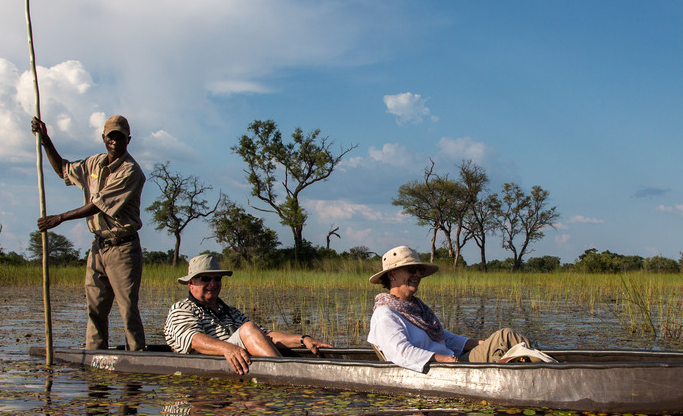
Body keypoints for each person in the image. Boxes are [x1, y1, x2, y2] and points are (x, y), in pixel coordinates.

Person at [32, 114, 146, 351]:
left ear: (128, 140)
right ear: (104, 138)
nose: (115, 141)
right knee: (95, 307)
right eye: (111, 136)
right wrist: (45, 140)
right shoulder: (93, 163)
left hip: (123, 247)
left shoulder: (130, 171)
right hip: (98, 246)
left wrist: (60, 218)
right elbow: (63, 170)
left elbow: (99, 204)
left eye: (120, 137)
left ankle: (136, 357)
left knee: (127, 308)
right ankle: (96, 356)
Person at [367, 245, 554, 372]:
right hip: (449, 368)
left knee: (504, 339)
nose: (417, 274)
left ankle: (547, 368)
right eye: (411, 270)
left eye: (419, 270)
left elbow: (444, 336)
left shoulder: (416, 309)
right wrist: (444, 359)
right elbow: (401, 353)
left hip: (454, 360)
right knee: (505, 336)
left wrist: (479, 343)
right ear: (391, 276)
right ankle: (548, 370)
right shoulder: (385, 314)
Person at [163, 253, 332, 374]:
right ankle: (287, 375)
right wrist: (227, 348)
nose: (213, 284)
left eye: (217, 279)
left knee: (251, 329)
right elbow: (194, 340)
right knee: (248, 329)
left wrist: (302, 339)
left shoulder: (230, 311)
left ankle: (285, 372)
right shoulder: (182, 309)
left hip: (237, 362)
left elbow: (263, 336)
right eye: (206, 279)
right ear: (191, 283)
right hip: (206, 367)